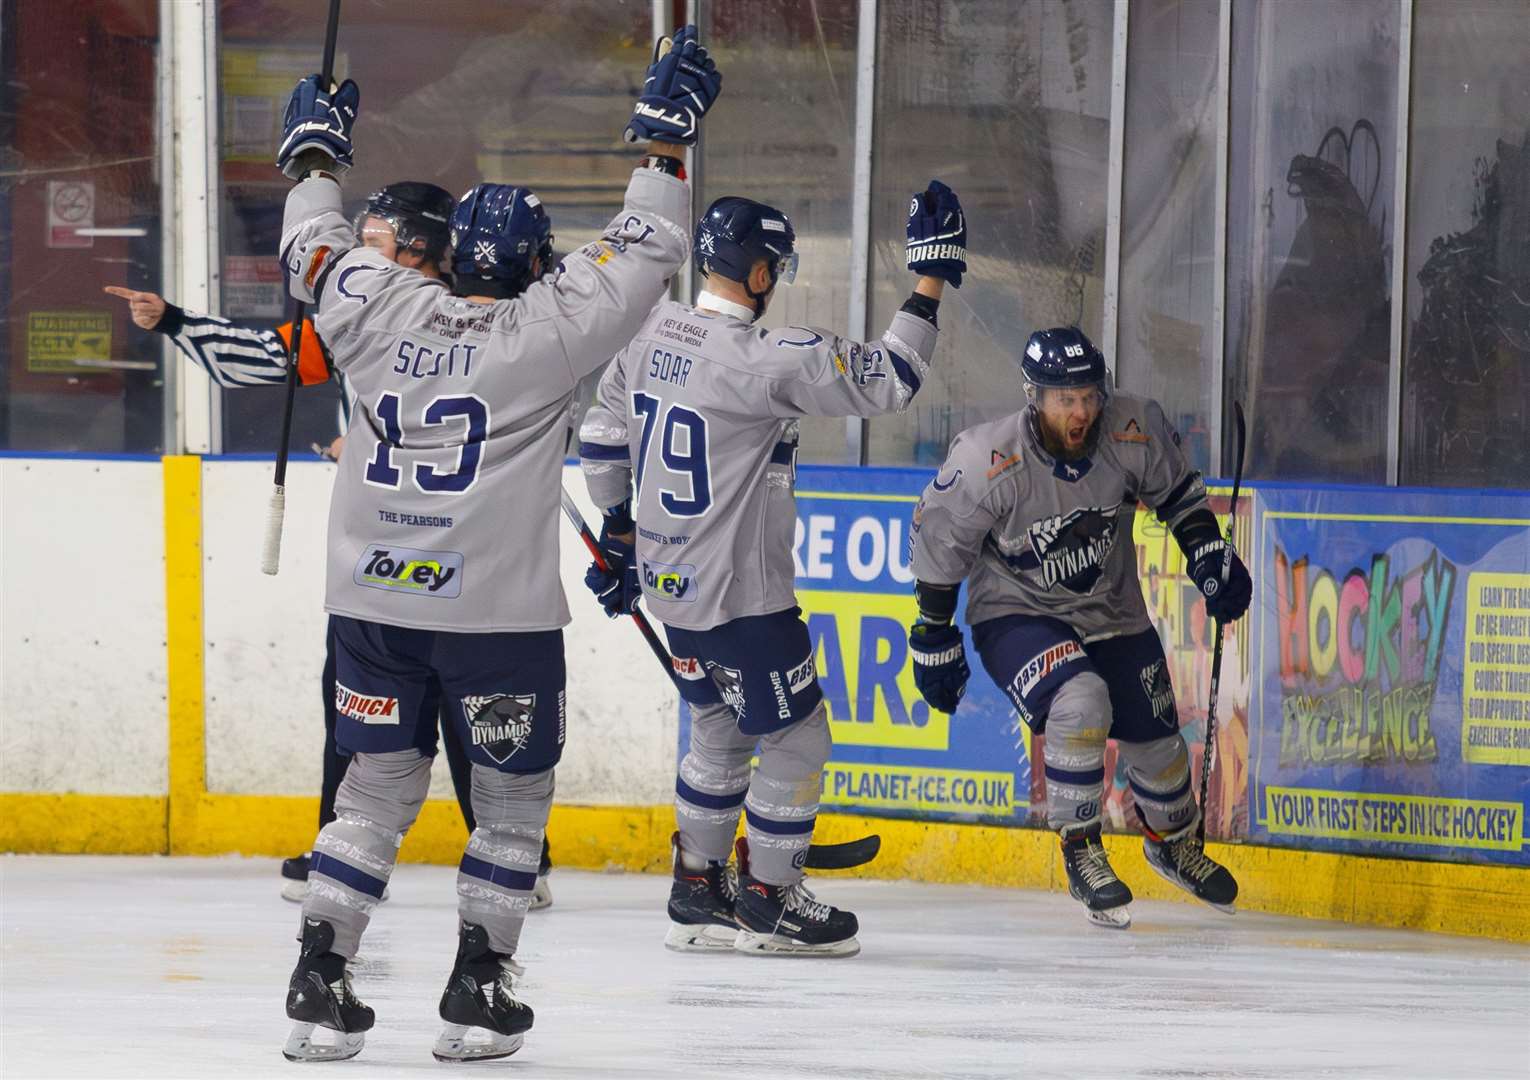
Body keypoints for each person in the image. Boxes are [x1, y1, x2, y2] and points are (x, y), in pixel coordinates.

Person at [272, 24, 718, 1063]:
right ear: (529, 269)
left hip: (372, 611)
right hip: (498, 624)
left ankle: (318, 976)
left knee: (371, 795)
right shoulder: (549, 330)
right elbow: (648, 251)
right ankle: (478, 987)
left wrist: (313, 159)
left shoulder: (375, 303)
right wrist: (661, 145)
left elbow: (313, 246)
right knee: (511, 808)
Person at [103, 183, 557, 911]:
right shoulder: (390, 311)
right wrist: (176, 322)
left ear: (425, 247)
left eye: (376, 241)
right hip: (404, 553)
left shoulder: (403, 314)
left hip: (444, 552)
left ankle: (505, 856)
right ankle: (338, 840)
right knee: (360, 704)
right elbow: (274, 359)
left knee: (464, 710)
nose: (358, 256)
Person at [578, 181, 966, 957]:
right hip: (742, 598)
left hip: (670, 590)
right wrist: (930, 279)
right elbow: (891, 377)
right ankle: (770, 896)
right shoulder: (764, 359)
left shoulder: (647, 334)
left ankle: (698, 886)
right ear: (758, 274)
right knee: (796, 735)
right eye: (777, 268)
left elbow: (598, 437)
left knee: (719, 728)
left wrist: (619, 535)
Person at [905, 326, 1251, 929]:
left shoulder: (1130, 426)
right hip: (1016, 614)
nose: (1082, 411)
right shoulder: (987, 460)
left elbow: (1177, 497)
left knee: (1160, 746)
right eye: (1066, 399)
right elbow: (939, 545)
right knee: (1081, 700)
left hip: (1113, 612)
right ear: (1034, 398)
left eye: (1090, 395)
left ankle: (1173, 843)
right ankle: (1081, 848)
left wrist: (1208, 556)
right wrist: (934, 635)